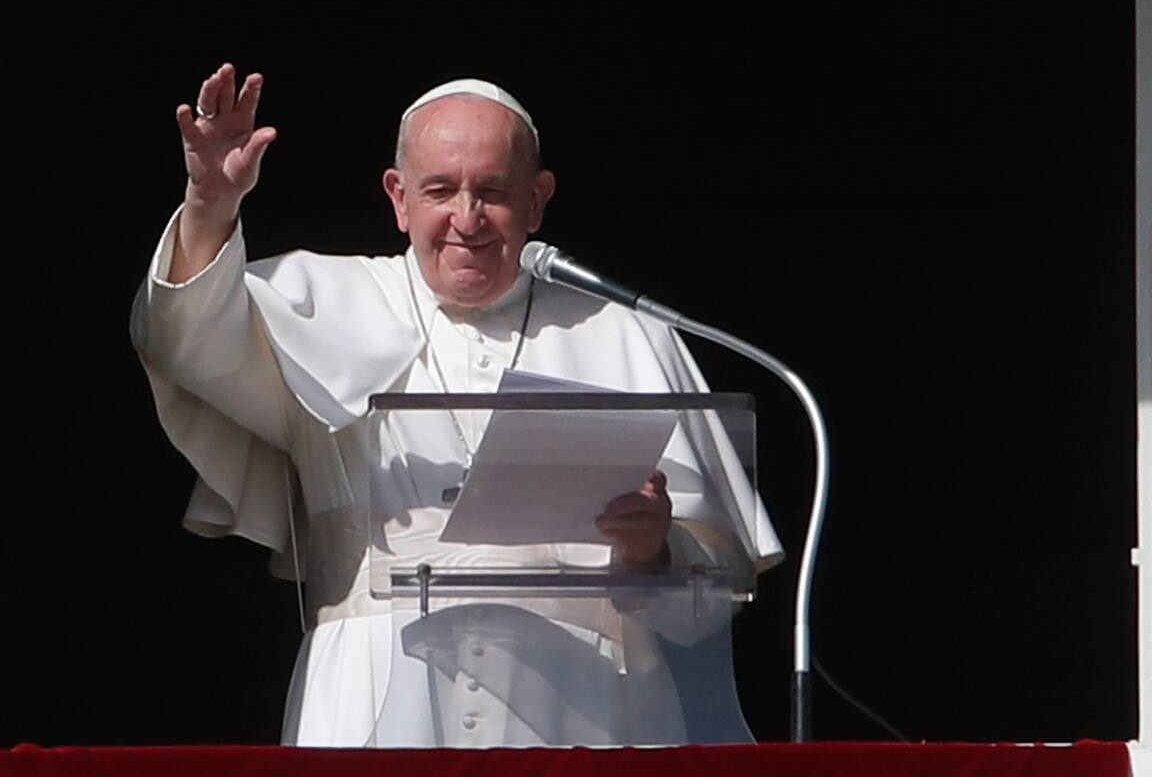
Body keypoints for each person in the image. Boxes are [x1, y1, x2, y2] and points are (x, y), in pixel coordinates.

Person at [131, 63, 783, 747]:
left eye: (493, 192)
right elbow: (180, 339)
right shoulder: (317, 301)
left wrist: (654, 551)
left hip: (588, 706)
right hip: (376, 693)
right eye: (440, 190)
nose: (465, 219)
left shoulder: (628, 333)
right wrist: (209, 206)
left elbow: (713, 598)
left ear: (537, 200)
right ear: (398, 197)